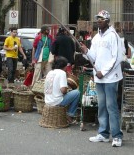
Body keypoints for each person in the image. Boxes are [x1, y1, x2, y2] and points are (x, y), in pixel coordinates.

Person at [80, 10, 123, 147]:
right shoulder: (96, 38)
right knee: (102, 106)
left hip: (111, 78)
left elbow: (117, 58)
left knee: (112, 106)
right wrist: (86, 52)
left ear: (107, 21)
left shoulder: (113, 36)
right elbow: (94, 57)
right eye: (97, 19)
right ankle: (103, 133)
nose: (99, 21)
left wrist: (103, 72)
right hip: (99, 78)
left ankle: (117, 135)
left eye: (102, 19)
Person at [44, 56, 80, 124]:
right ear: (64, 66)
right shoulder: (62, 73)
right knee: (77, 93)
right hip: (56, 101)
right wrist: (67, 90)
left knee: (69, 94)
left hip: (47, 100)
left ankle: (68, 114)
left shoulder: (50, 72)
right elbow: (63, 90)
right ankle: (70, 115)